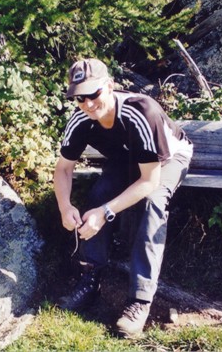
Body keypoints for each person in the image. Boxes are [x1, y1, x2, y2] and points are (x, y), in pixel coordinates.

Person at [54, 58, 193, 338]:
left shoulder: (141, 112)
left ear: (109, 86)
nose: (88, 104)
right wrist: (65, 206)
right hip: (126, 157)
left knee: (153, 203)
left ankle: (139, 301)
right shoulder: (81, 118)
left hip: (167, 160)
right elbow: (63, 169)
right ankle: (89, 277)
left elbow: (149, 181)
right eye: (79, 98)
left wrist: (105, 213)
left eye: (93, 94)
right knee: (99, 193)